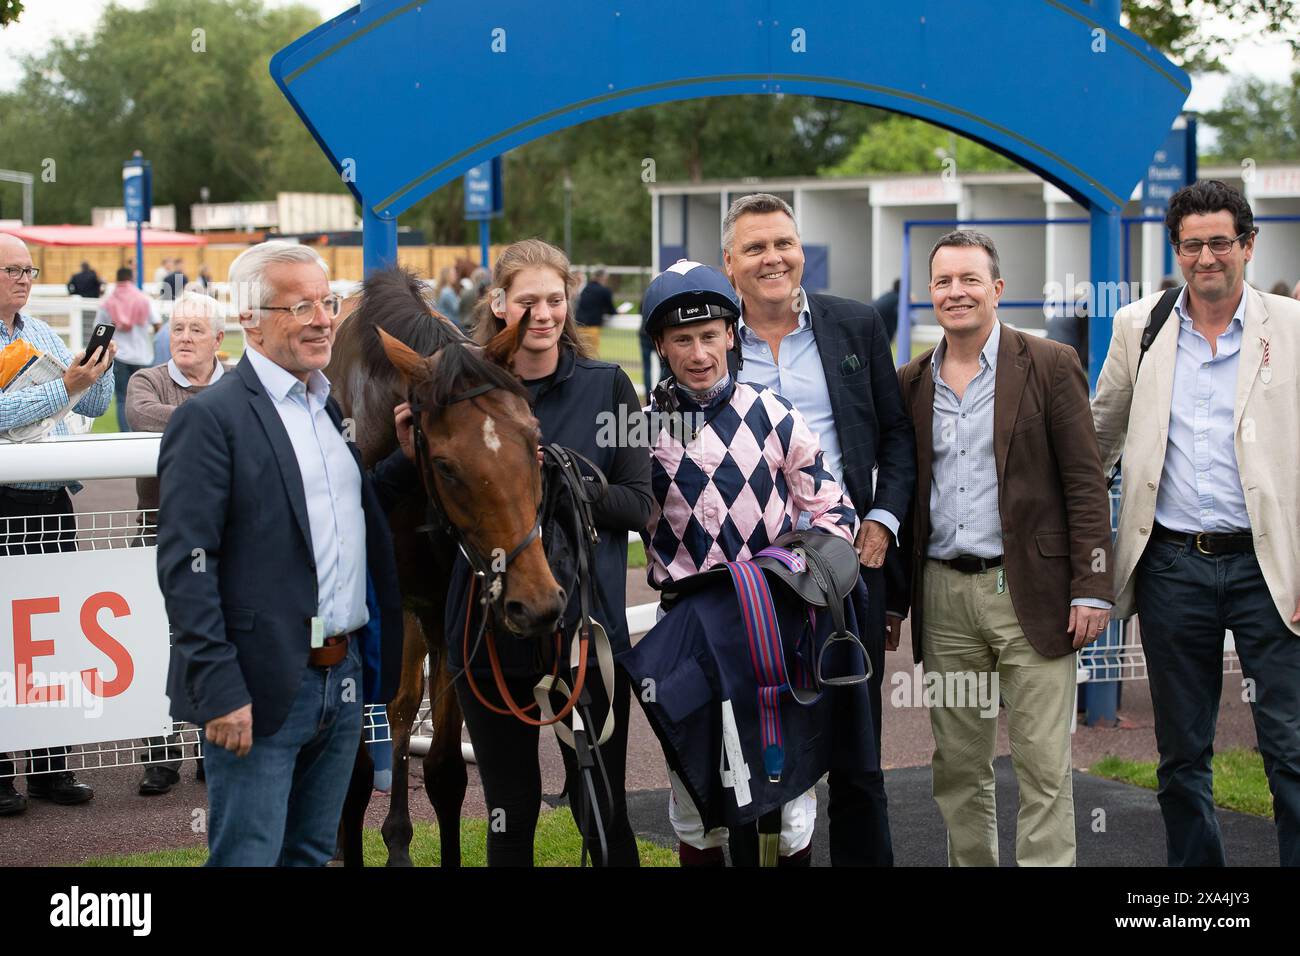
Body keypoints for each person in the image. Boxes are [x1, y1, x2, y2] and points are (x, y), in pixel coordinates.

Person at [156, 241, 412, 866]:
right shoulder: (211, 419)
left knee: (310, 854)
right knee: (248, 856)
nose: (324, 318)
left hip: (343, 675)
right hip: (257, 683)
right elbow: (186, 565)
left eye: (325, 303)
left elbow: (345, 511)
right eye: (300, 307)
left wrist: (405, 458)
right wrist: (217, 688)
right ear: (248, 318)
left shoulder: (330, 406)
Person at [1092, 180, 1300, 867]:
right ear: (1176, 249)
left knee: (1291, 747)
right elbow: (1099, 438)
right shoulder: (1137, 326)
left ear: (1248, 244)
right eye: (1192, 244)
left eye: (1220, 242)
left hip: (1272, 569)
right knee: (1182, 752)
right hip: (1173, 566)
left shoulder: (1292, 330)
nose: (1206, 257)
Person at [894, 229, 1114, 867]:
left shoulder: (1048, 363)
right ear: (929, 292)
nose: (955, 293)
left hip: (1034, 596)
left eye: (969, 280)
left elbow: (1084, 480)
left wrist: (1093, 586)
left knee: (1045, 768)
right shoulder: (910, 381)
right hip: (943, 596)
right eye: (943, 282)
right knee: (959, 768)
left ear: (997, 289)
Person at [640, 260, 862, 866]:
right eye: (682, 340)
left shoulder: (774, 412)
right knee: (694, 792)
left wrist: (792, 578)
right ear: (660, 344)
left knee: (788, 802)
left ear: (732, 334)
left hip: (771, 621)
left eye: (710, 335)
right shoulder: (638, 428)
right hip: (685, 626)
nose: (699, 352)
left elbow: (833, 510)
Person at [721, 193, 915, 866]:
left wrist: (883, 524)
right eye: (755, 247)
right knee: (755, 755)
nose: (773, 257)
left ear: (801, 251)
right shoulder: (710, 341)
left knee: (858, 757)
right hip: (750, 583)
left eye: (783, 243)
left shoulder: (855, 325)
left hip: (843, 571)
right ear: (730, 263)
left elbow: (895, 437)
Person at [450, 238, 652, 866]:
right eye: (528, 300)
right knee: (510, 810)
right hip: (487, 634)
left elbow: (638, 504)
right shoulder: (462, 387)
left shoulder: (611, 384)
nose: (543, 314)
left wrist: (562, 480)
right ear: (498, 303)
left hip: (585, 633)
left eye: (555, 300)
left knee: (602, 809)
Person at [0, 232, 115, 816]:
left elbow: (92, 407)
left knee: (55, 636)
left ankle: (49, 767)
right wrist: (63, 388)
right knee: (2, 637)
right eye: (13, 269)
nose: (25, 278)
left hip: (49, 503)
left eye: (29, 269)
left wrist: (98, 372)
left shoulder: (42, 332)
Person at [126, 292, 228, 795]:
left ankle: (216, 750)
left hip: (228, 536)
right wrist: (217, 418)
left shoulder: (238, 385)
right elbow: (141, 414)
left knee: (220, 639)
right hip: (160, 532)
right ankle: (161, 758)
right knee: (159, 642)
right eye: (178, 327)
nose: (184, 337)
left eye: (195, 329)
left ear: (218, 339)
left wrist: (195, 417)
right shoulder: (148, 379)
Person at [95, 267, 155, 431]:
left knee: (122, 399)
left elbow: (99, 329)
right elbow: (157, 324)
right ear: (132, 278)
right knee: (145, 398)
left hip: (119, 355)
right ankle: (143, 432)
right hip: (143, 356)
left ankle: (126, 434)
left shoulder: (108, 302)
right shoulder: (144, 299)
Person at [575, 267, 616, 354]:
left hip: (578, 326)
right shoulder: (604, 291)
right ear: (604, 278)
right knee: (592, 355)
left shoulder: (585, 289)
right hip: (592, 327)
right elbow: (611, 310)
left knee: (580, 354)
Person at [871, 279, 901, 343]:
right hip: (880, 319)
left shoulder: (888, 294)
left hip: (871, 316)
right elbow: (897, 316)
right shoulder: (898, 298)